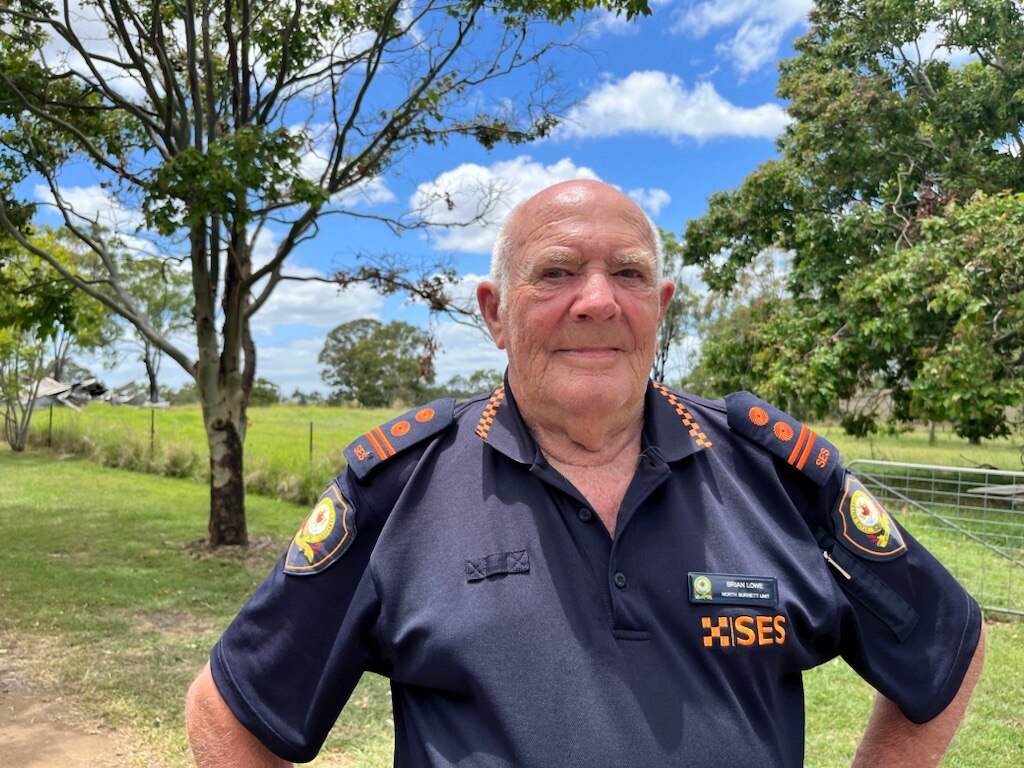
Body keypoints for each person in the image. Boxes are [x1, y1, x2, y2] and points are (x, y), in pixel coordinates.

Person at [185, 180, 984, 768]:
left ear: (661, 306)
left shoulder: (775, 476)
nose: (597, 301)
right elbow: (229, 713)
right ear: (495, 312)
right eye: (557, 272)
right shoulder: (400, 490)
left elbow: (945, 646)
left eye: (628, 275)